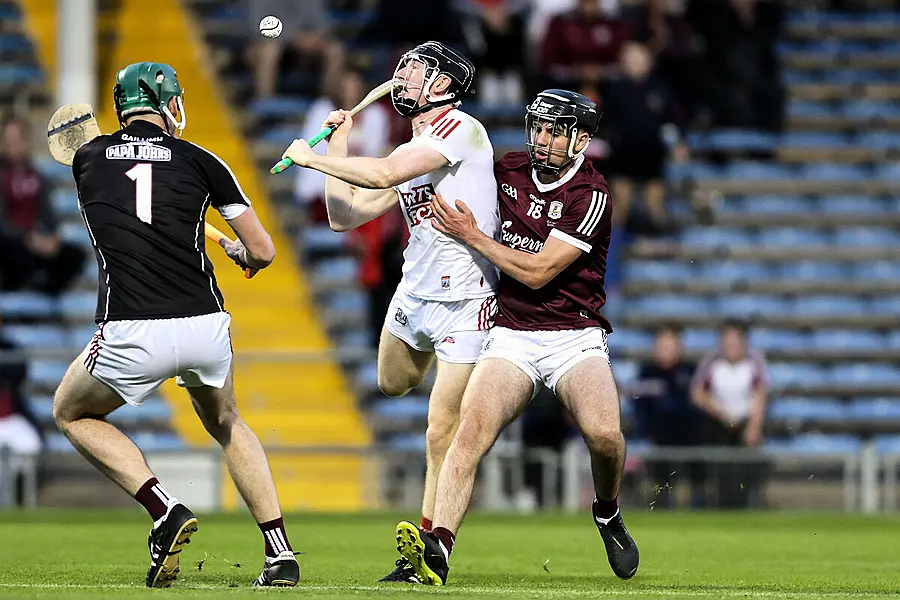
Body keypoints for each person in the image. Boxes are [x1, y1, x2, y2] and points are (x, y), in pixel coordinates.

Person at [52, 62, 298, 588]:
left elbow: (126, 199)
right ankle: (280, 552)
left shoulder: (87, 159)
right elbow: (264, 252)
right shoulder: (203, 160)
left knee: (71, 413)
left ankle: (164, 510)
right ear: (166, 103)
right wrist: (238, 251)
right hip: (204, 326)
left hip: (133, 328)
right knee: (228, 421)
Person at [391, 89, 639, 585]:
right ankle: (437, 551)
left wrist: (472, 236)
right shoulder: (506, 170)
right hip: (512, 333)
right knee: (468, 436)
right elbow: (445, 177)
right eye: (538, 128)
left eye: (555, 131)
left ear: (581, 141)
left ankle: (607, 511)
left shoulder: (591, 193)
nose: (542, 140)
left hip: (574, 335)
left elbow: (539, 271)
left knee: (605, 436)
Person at [280, 41, 499, 584]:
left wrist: (312, 158)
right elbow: (342, 215)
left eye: (415, 69)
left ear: (443, 86)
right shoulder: (413, 145)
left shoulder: (460, 131)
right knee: (391, 382)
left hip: (466, 300)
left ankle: (428, 550)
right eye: (399, 65)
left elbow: (379, 176)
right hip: (414, 297)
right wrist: (342, 139)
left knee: (439, 432)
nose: (400, 74)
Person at [0, 117, 86, 295]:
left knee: (75, 255)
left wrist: (52, 239)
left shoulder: (37, 177)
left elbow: (49, 216)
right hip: (10, 245)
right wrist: (28, 239)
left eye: (17, 140)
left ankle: (42, 291)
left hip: (35, 244)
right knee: (13, 251)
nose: (13, 146)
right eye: (8, 141)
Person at [691, 318, 770, 508]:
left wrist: (753, 426)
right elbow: (698, 393)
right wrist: (720, 412)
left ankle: (747, 503)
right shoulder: (712, 363)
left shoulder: (754, 362)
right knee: (720, 468)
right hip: (718, 424)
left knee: (747, 468)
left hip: (745, 422)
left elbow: (761, 393)